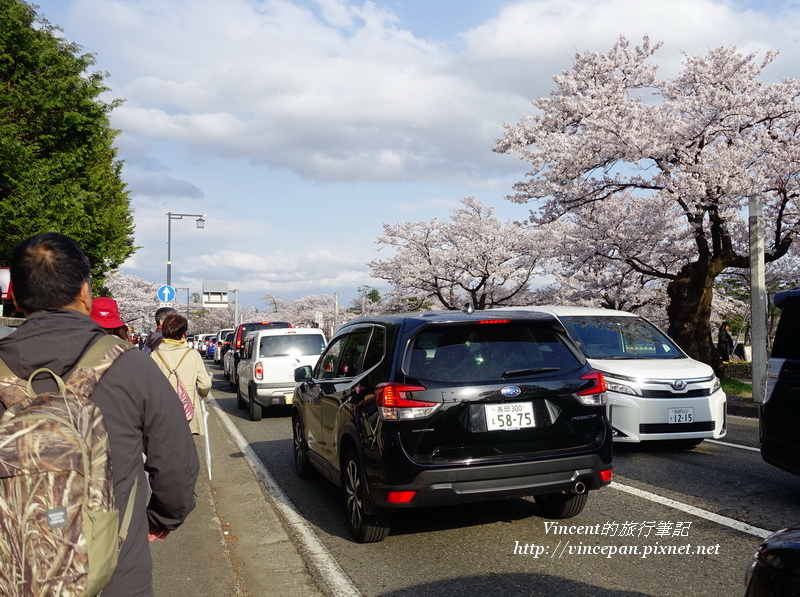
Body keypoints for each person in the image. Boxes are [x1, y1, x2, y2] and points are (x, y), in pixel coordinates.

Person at [0, 232, 198, 596]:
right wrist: (159, 519)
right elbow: (176, 465)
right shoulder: (131, 366)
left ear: (13, 296)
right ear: (86, 292)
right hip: (115, 570)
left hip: (13, 575)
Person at [151, 312, 212, 436]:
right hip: (188, 410)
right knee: (187, 449)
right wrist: (201, 394)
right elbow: (205, 384)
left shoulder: (154, 355)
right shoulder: (193, 355)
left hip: (163, 412)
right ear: (183, 333)